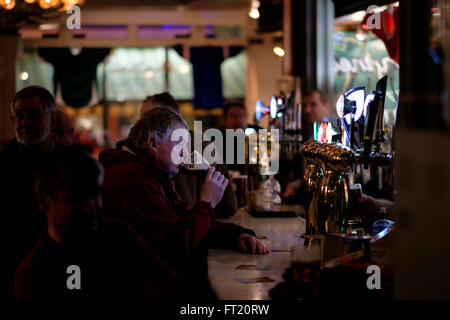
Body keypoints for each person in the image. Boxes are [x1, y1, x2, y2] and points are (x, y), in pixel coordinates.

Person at [99, 107, 269, 299]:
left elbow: (183, 218)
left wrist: (235, 235)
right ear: (153, 144)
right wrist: (207, 203)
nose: (184, 154)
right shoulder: (130, 178)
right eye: (179, 145)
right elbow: (178, 242)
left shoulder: (151, 171)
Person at [14, 147, 182, 300]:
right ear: (42, 200)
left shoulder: (117, 235)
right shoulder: (34, 276)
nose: (90, 208)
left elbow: (173, 285)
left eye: (95, 194)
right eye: (77, 198)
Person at [0, 85, 58, 299]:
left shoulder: (71, 162)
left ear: (53, 117)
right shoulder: (3, 165)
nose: (24, 122)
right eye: (18, 116)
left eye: (33, 115)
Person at [140, 92, 238, 218]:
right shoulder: (203, 142)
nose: (140, 126)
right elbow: (229, 206)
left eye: (147, 119)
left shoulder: (164, 151)